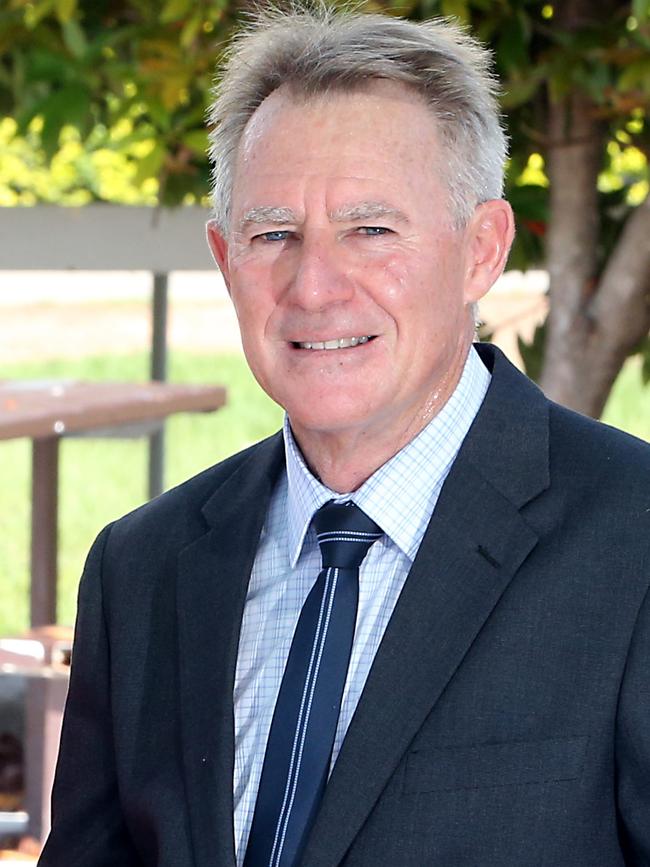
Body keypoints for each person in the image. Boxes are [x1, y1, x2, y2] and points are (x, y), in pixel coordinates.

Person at [39, 6, 650, 867]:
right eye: (273, 234)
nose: (314, 286)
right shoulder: (141, 571)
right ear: (225, 260)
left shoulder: (634, 540)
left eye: (370, 229)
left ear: (482, 249)